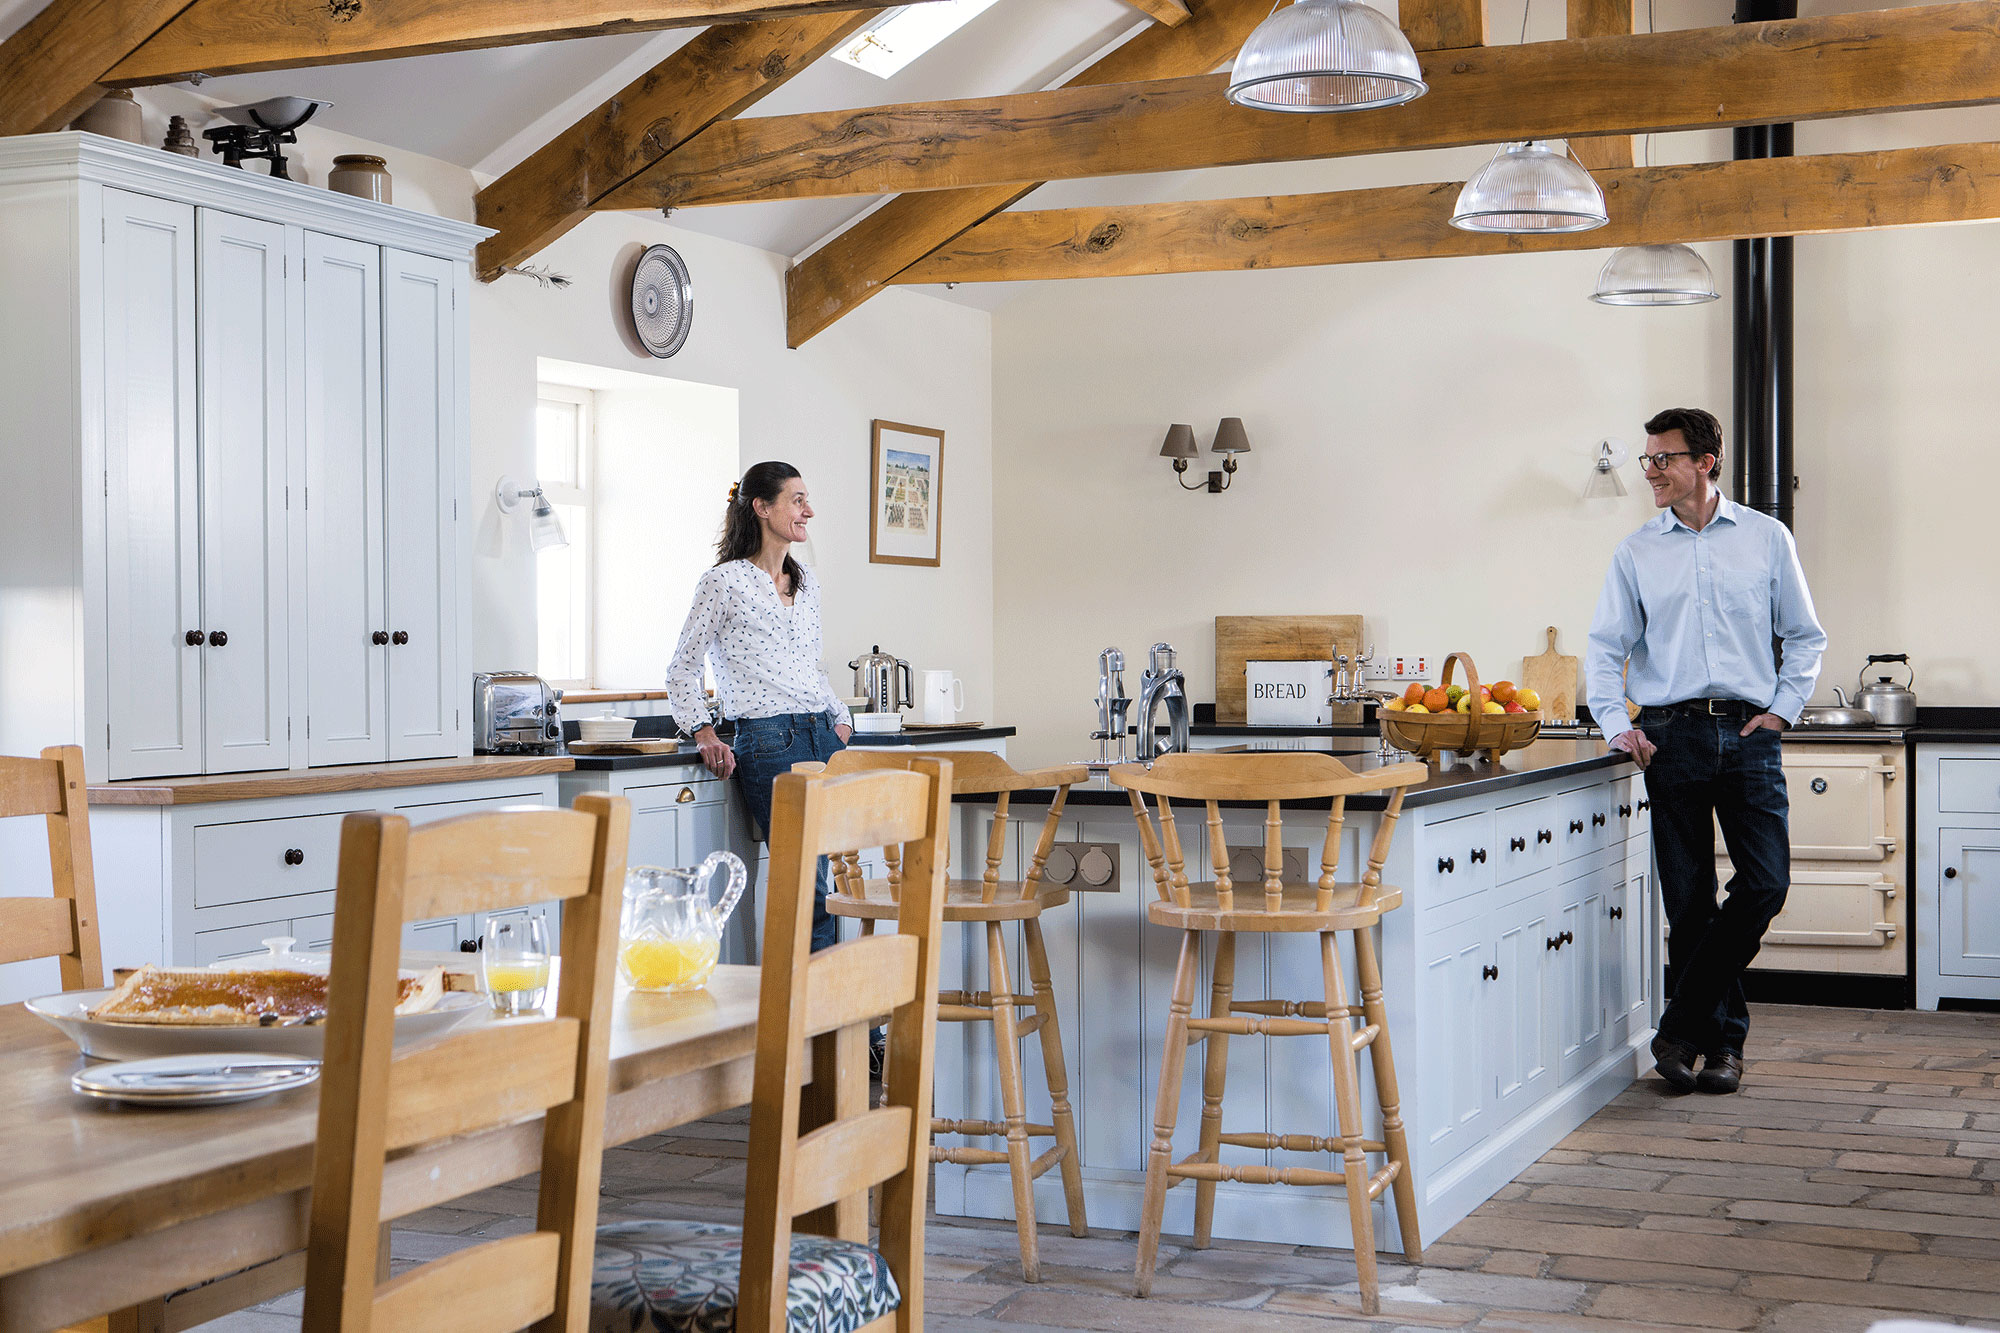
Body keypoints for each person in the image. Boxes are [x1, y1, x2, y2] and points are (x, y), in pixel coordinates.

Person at [1584, 407, 1826, 1096]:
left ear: (1705, 462)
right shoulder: (1637, 552)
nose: (1652, 471)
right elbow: (1606, 650)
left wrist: (1782, 709)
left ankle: (1682, 1025)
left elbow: (1805, 635)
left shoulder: (1766, 538)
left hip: (1750, 734)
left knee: (1766, 882)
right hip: (1671, 736)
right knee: (1688, 902)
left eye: (1664, 458)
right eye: (1648, 460)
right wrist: (1614, 724)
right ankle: (1723, 1047)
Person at [667, 461, 852, 953]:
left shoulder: (806, 581)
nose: (808, 511)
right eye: (797, 500)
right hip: (769, 742)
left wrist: (841, 716)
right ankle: (812, 1022)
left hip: (824, 734)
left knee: (832, 886)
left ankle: (834, 1016)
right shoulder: (724, 582)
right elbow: (683, 667)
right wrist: (704, 733)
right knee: (808, 888)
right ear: (762, 507)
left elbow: (806, 665)